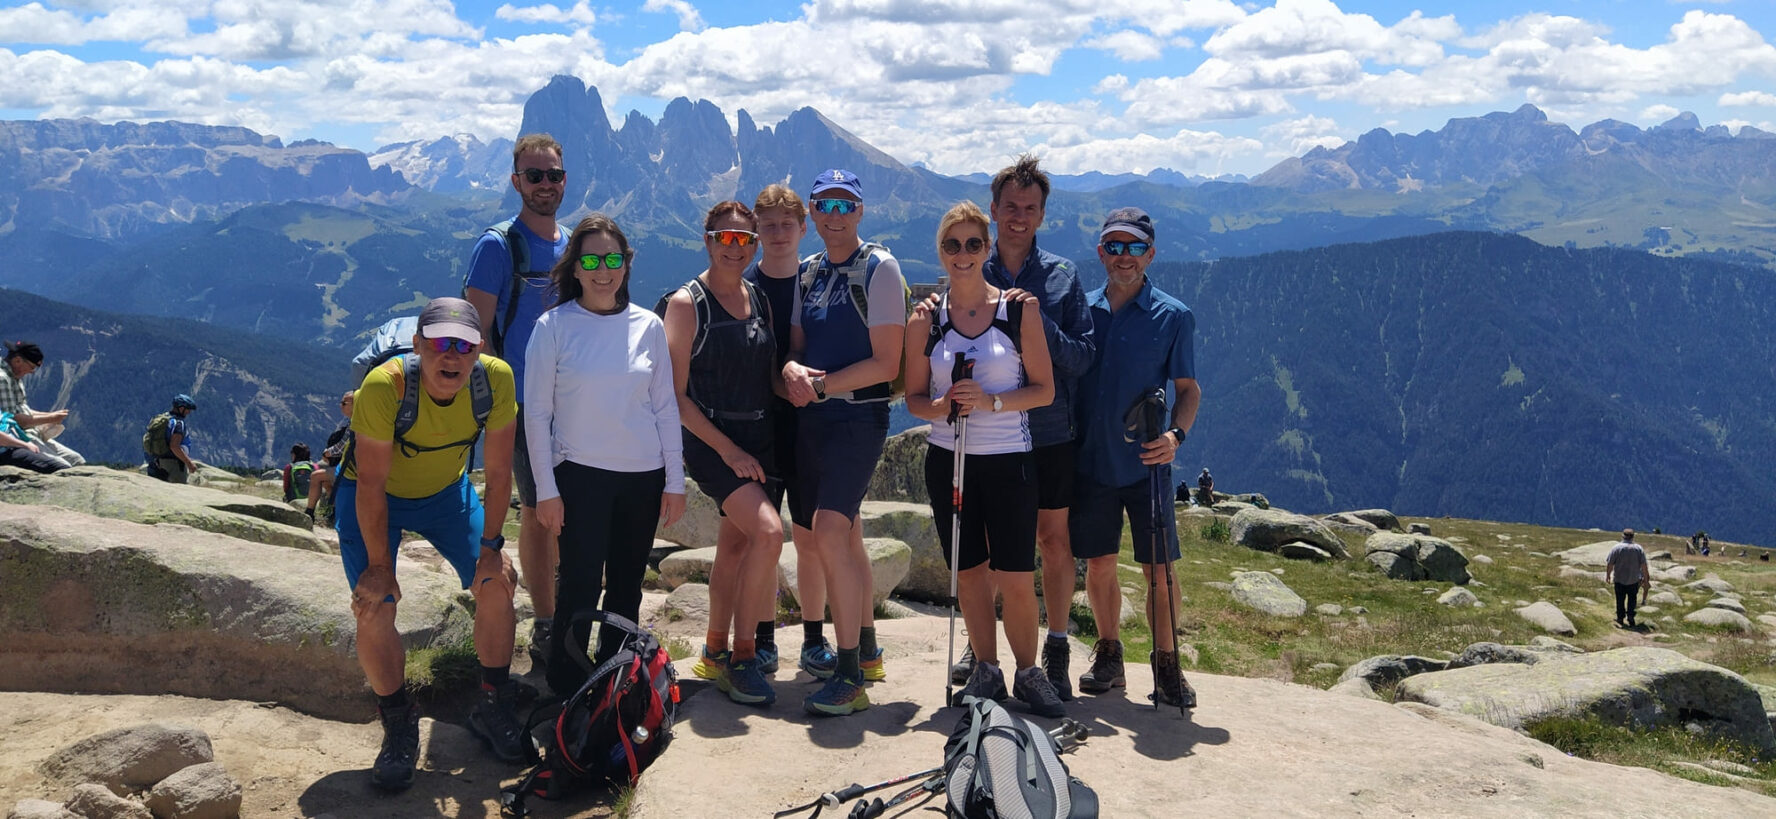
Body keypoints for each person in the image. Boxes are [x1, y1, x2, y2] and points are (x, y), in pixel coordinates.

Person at [336, 296, 523, 790]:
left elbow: (501, 472)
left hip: (446, 492)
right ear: (418, 346)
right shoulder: (385, 387)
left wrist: (491, 547)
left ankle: (491, 702)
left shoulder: (495, 379)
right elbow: (372, 485)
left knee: (498, 582)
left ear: (478, 348)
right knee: (375, 605)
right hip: (372, 494)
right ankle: (398, 720)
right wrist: (380, 567)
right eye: (439, 343)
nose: (452, 356)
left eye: (463, 345)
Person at [942, 157, 1096, 702]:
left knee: (1052, 541)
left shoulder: (1060, 276)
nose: (1019, 217)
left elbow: (1083, 356)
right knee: (986, 550)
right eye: (1010, 207)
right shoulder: (971, 269)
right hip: (987, 436)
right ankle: (983, 651)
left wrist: (1036, 323)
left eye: (1030, 209)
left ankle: (1054, 644)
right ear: (994, 209)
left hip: (1048, 429)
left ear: (1042, 214)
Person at [906, 201, 1060, 716]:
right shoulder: (925, 319)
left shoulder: (1018, 311)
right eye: (953, 245)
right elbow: (913, 399)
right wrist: (944, 406)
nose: (964, 254)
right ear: (941, 252)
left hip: (1010, 459)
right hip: (949, 459)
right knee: (969, 573)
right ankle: (988, 672)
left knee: (1015, 574)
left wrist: (991, 402)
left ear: (988, 248)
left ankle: (1028, 672)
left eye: (974, 244)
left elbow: (1043, 391)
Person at [526, 214, 686, 698]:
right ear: (575, 267)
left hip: (643, 477)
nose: (602, 270)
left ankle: (613, 684)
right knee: (577, 585)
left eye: (612, 259)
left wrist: (674, 481)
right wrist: (546, 493)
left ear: (626, 265)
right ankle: (567, 686)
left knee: (626, 588)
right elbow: (535, 416)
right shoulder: (552, 327)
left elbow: (664, 407)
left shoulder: (649, 326)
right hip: (579, 477)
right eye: (591, 259)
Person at [781, 168, 907, 716]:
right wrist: (791, 370)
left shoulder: (878, 268)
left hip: (858, 419)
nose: (833, 215)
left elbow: (887, 363)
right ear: (812, 212)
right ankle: (870, 648)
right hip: (813, 423)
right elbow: (796, 345)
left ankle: (851, 674)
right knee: (843, 533)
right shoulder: (807, 272)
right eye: (824, 205)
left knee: (830, 533)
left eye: (844, 205)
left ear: (860, 211)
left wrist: (823, 384)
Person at [1071, 207, 1201, 709]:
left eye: (1133, 248)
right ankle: (1109, 653)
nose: (1123, 258)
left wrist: (1176, 436)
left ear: (1150, 253)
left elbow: (1189, 391)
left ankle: (1167, 664)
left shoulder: (1174, 315)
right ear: (1101, 252)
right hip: (1091, 461)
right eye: (1114, 247)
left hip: (1149, 464)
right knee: (1099, 565)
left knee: (1159, 571)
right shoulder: (1081, 309)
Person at [664, 201, 786, 707]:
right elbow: (675, 396)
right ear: (708, 239)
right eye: (725, 238)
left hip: (762, 440)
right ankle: (742, 657)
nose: (735, 248)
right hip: (715, 445)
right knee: (769, 533)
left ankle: (713, 650)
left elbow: (769, 373)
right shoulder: (687, 304)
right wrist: (728, 451)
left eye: (745, 240)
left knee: (736, 546)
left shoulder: (758, 297)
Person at [464, 134, 572, 670]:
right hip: (522, 403)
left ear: (564, 180)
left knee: (569, 511)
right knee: (536, 512)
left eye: (553, 175)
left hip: (575, 401)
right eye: (535, 176)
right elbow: (473, 332)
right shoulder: (498, 246)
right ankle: (549, 624)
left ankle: (570, 614)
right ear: (516, 182)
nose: (545, 185)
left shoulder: (575, 243)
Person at [747, 184, 833, 679]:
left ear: (804, 228)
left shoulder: (818, 281)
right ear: (757, 230)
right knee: (763, 538)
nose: (778, 233)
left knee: (809, 537)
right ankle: (761, 639)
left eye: (787, 224)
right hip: (758, 427)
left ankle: (814, 638)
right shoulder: (744, 285)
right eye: (768, 224)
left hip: (811, 425)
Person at [1, 341, 85, 467]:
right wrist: (51, 418)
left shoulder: (14, 376)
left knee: (76, 460)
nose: (32, 371)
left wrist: (51, 415)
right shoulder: (2, 379)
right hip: (20, 436)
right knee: (62, 467)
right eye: (31, 367)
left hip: (32, 433)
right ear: (18, 361)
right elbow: (14, 419)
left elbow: (22, 409)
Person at [144, 394, 199, 483]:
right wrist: (189, 463)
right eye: (188, 409)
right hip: (174, 465)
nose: (189, 412)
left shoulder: (164, 419)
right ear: (181, 408)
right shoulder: (178, 423)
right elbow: (174, 446)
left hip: (158, 461)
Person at [1604, 528, 1651, 628]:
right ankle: (1630, 617)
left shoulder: (1616, 548)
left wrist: (1608, 575)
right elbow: (1644, 566)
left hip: (1619, 578)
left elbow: (1610, 563)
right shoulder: (1638, 548)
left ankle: (1620, 618)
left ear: (1623, 536)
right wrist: (1646, 579)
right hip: (1633, 579)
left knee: (1620, 599)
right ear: (1633, 537)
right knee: (1632, 599)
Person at [0, 409, 69, 473]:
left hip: (13, 445)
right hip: (6, 451)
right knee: (60, 468)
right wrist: (25, 444)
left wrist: (26, 441)